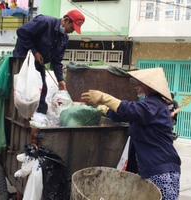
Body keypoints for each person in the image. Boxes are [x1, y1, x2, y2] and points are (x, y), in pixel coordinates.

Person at [81, 68, 181, 200]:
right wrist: (104, 110)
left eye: (139, 84)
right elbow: (128, 114)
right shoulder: (148, 105)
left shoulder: (155, 105)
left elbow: (130, 110)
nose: (136, 87)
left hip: (161, 170)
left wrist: (103, 98)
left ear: (148, 87)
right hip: (150, 168)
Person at [13, 10, 85, 114]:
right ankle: (20, 117)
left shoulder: (64, 38)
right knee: (24, 91)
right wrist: (34, 51)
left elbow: (56, 61)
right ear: (65, 20)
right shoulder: (45, 22)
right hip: (22, 61)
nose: (72, 31)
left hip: (39, 63)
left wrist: (61, 80)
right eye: (72, 28)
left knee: (42, 90)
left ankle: (40, 119)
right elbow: (21, 31)